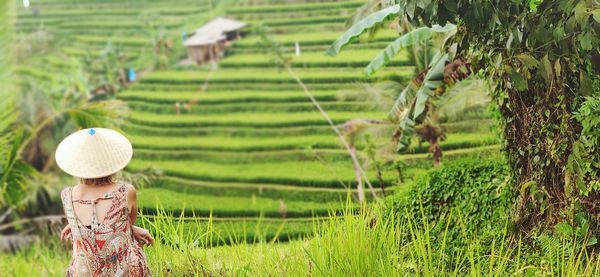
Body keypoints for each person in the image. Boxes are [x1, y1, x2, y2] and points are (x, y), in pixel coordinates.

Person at [55, 128, 153, 276]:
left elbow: (94, 231)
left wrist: (76, 227)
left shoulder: (68, 196)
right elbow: (126, 223)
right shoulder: (126, 192)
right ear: (113, 163)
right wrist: (133, 229)